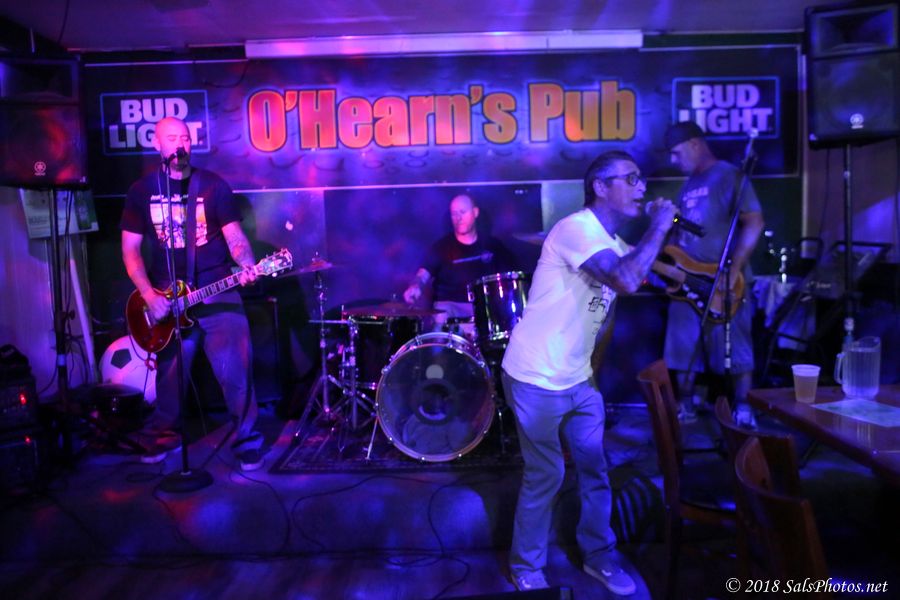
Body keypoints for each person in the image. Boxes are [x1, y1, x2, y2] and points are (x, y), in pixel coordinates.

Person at [500, 150, 678, 594]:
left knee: (595, 470)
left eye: (641, 179)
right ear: (600, 186)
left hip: (578, 380)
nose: (642, 187)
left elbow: (623, 301)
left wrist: (589, 374)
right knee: (546, 473)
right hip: (535, 376)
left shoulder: (613, 245)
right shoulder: (575, 229)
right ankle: (526, 565)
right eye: (630, 179)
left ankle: (599, 557)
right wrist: (659, 224)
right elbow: (625, 280)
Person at [120, 116, 265, 471]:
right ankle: (164, 436)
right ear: (158, 145)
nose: (180, 144)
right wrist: (148, 295)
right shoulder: (141, 191)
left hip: (216, 290)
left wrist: (246, 263)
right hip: (166, 297)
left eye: (185, 137)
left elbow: (235, 238)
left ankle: (246, 439)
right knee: (169, 377)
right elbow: (130, 250)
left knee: (235, 372)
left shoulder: (213, 186)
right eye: (172, 138)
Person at [662, 121, 765, 427]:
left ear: (695, 144)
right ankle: (686, 404)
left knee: (736, 349)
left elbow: (754, 221)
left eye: (676, 153)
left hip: (723, 282)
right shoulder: (687, 185)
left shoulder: (729, 175)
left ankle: (743, 407)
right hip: (686, 281)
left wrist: (733, 268)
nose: (673, 160)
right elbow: (679, 235)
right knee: (682, 347)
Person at [402, 193, 517, 328]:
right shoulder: (440, 247)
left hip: (484, 308)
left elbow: (509, 278)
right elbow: (422, 275)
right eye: (454, 214)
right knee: (441, 315)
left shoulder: (493, 246)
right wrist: (415, 286)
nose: (458, 218)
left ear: (475, 213)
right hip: (450, 308)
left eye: (463, 212)